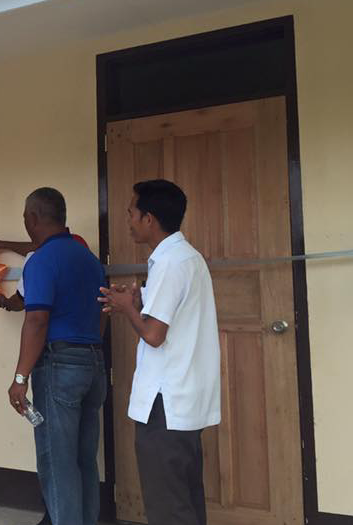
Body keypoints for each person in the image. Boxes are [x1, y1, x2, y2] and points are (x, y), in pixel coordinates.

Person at [98, 179, 220, 525]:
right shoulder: (186, 258)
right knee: (185, 498)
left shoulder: (170, 263)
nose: (128, 220)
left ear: (149, 218)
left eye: (131, 213)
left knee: (168, 506)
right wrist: (138, 302)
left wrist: (126, 308)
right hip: (183, 398)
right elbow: (167, 320)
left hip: (165, 403)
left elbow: (153, 334)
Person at [6, 188, 107, 525]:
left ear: (32, 218)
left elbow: (36, 319)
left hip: (59, 369)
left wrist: (20, 378)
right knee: (83, 461)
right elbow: (102, 312)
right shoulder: (89, 260)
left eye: (24, 218)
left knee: (57, 463)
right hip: (94, 364)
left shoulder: (42, 260)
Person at [0, 231, 89, 312]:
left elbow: (18, 303)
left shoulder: (36, 272)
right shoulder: (75, 241)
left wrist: (5, 303)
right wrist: (1, 244)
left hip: (63, 330)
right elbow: (38, 247)